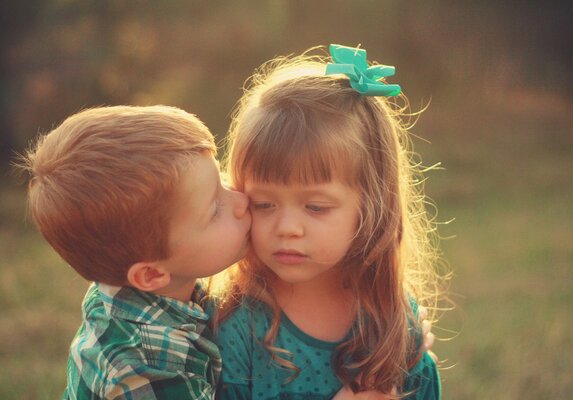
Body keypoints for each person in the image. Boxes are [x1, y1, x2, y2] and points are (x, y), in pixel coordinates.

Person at [209, 44, 445, 399]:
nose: (287, 227)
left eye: (316, 207)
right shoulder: (234, 323)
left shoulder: (392, 319)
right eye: (264, 203)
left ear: (371, 207)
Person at [20, 105, 251, 399]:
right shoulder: (145, 368)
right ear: (151, 273)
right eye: (215, 209)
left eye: (221, 178)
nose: (241, 200)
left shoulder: (133, 286)